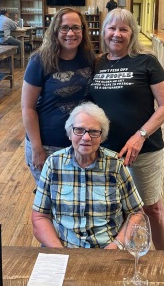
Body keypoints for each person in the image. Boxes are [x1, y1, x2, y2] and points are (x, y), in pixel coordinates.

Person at [90, 8, 164, 250]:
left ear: (132, 34)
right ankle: (120, 258)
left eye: (123, 29)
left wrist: (140, 135)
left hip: (144, 149)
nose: (117, 34)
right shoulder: (97, 63)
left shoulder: (147, 61)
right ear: (104, 32)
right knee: (115, 207)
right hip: (106, 151)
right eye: (112, 28)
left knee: (152, 207)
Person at [31, 102, 144, 248]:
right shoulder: (53, 164)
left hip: (107, 250)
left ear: (101, 136)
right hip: (63, 247)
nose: (86, 137)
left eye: (93, 132)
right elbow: (40, 217)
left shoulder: (116, 165)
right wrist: (60, 251)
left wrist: (116, 246)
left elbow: (136, 213)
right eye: (79, 130)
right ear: (70, 133)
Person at [22, 7, 95, 184]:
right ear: (55, 30)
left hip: (79, 143)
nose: (70, 33)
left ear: (83, 31)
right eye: (65, 27)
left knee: (74, 200)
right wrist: (37, 148)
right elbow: (27, 108)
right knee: (50, 202)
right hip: (47, 144)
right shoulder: (40, 60)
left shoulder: (89, 58)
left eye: (76, 28)